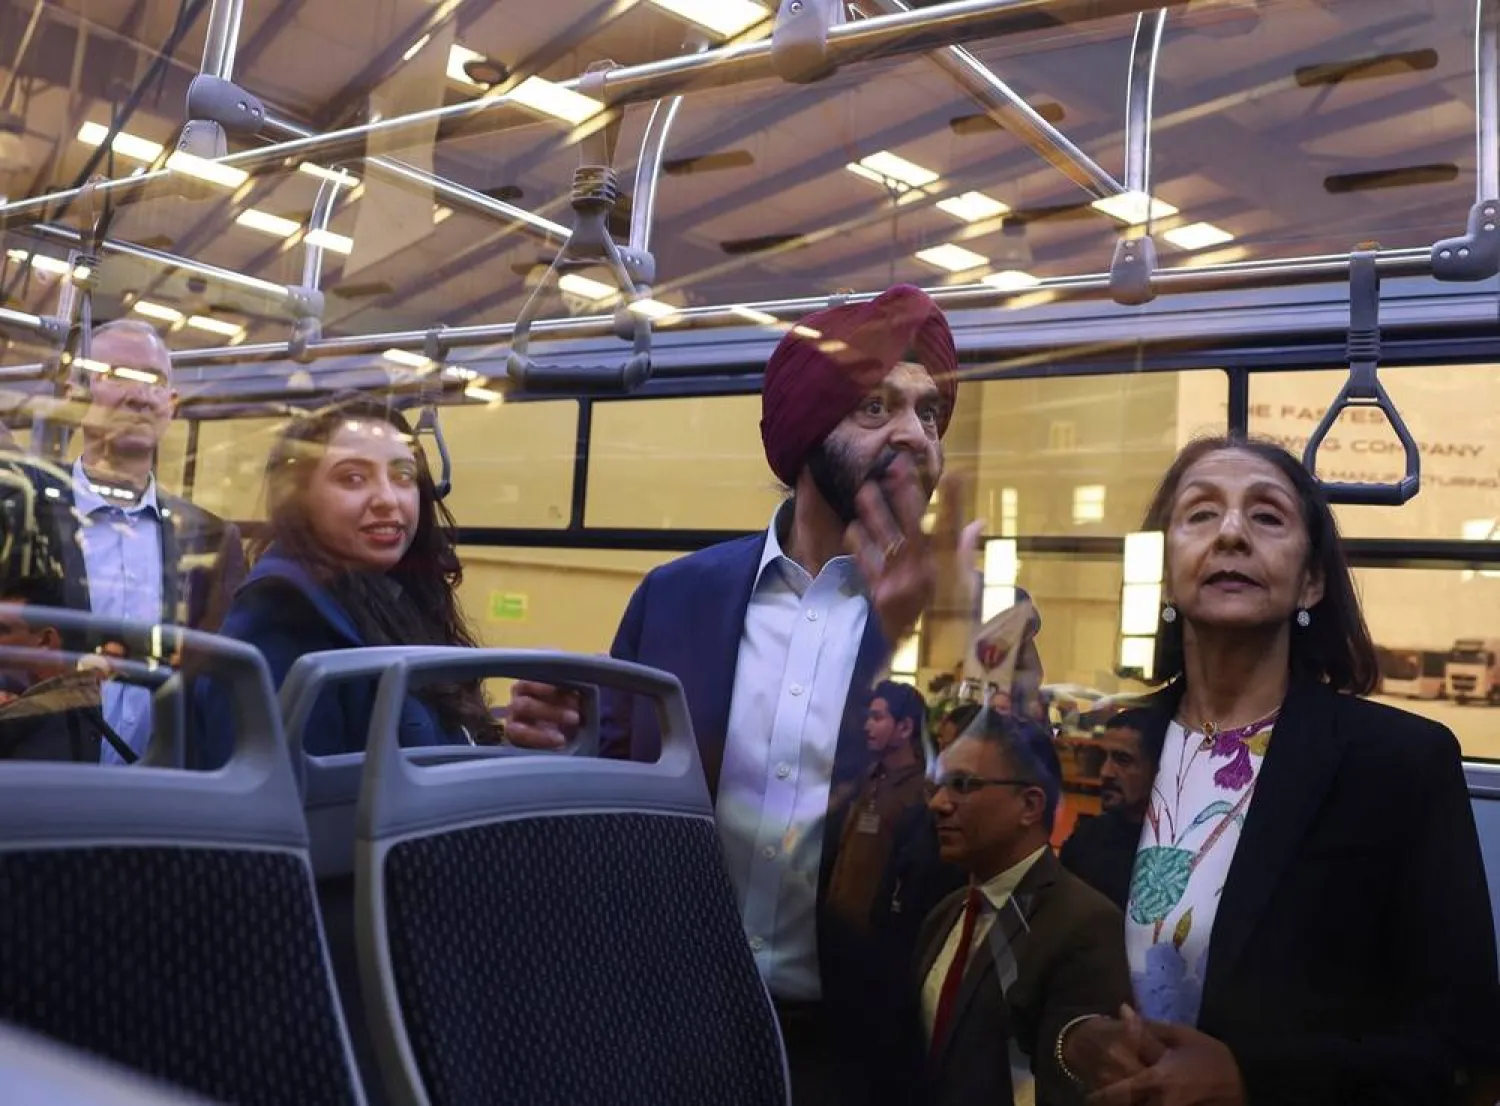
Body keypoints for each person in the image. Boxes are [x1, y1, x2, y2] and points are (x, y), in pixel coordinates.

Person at [504, 284, 983, 1105]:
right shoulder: (678, 597)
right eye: (876, 407)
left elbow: (966, 833)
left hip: (853, 1055)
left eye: (930, 412)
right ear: (805, 438)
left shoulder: (954, 621)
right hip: (665, 1026)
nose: (914, 433)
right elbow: (613, 792)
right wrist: (558, 739)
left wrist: (936, 640)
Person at [1060, 436, 1500, 1106]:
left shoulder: (1398, 764)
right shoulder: (1111, 744)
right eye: (1200, 513)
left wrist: (1250, 1082)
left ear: (1312, 580)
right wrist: (1075, 1041)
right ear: (1167, 565)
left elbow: (1461, 1043)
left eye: (1267, 516)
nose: (1231, 533)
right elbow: (1053, 977)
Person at [193, 395, 499, 769]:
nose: (388, 499)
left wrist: (507, 737)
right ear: (300, 498)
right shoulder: (283, 619)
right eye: (353, 478)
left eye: (403, 475)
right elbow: (299, 807)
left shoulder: (394, 597)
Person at [22, 319, 246, 763]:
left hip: (158, 799)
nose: (139, 395)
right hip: (33, 790)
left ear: (171, 404)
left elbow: (217, 686)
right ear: (76, 393)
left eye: (155, 382)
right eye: (116, 375)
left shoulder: (211, 539)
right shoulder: (25, 510)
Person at [918, 708, 1131, 1106]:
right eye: (938, 786)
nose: (940, 804)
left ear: (1030, 805)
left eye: (962, 785)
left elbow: (1074, 1090)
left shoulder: (1084, 927)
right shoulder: (946, 915)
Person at [825, 680, 931, 936]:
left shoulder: (921, 792)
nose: (867, 726)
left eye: (877, 718)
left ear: (905, 727)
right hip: (836, 928)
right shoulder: (869, 778)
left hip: (876, 938)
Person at [1058, 706, 1155, 911]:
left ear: (1158, 768)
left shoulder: (1173, 851)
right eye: (1103, 757)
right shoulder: (1086, 839)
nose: (1106, 772)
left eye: (1123, 760)